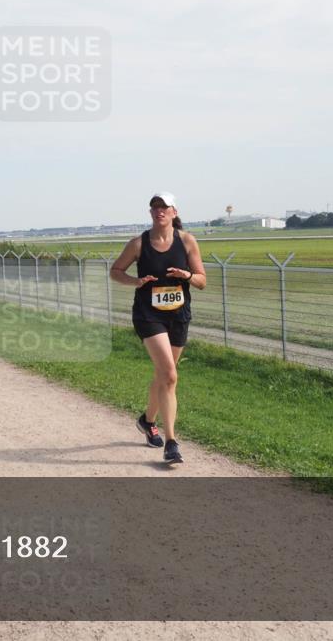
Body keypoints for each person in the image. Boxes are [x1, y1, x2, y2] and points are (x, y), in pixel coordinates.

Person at [109, 193, 206, 465]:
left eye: (164, 207)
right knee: (170, 375)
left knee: (164, 376)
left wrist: (186, 275)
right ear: (150, 212)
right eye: (155, 207)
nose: (159, 211)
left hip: (178, 315)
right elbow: (115, 271)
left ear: (174, 212)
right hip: (148, 314)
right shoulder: (139, 243)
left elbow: (201, 281)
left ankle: (147, 420)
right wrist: (136, 281)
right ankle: (172, 443)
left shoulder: (187, 241)